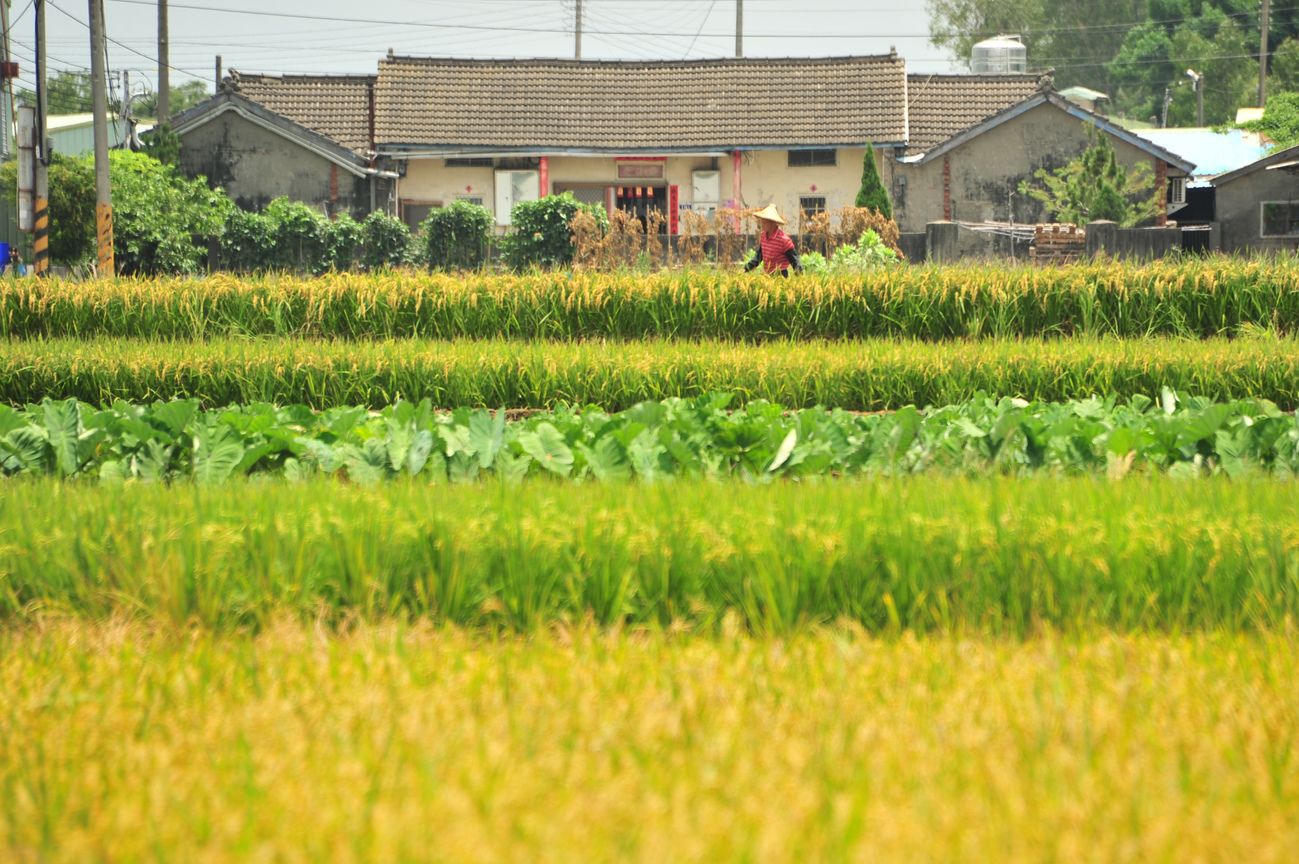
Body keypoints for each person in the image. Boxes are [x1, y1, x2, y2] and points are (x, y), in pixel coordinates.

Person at [744, 203, 802, 277]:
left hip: (780, 276)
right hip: (767, 275)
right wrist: (746, 268)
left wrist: (800, 277)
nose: (762, 225)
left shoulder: (783, 240)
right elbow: (758, 256)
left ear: (772, 223)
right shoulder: (763, 236)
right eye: (762, 223)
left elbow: (794, 260)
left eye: (764, 223)